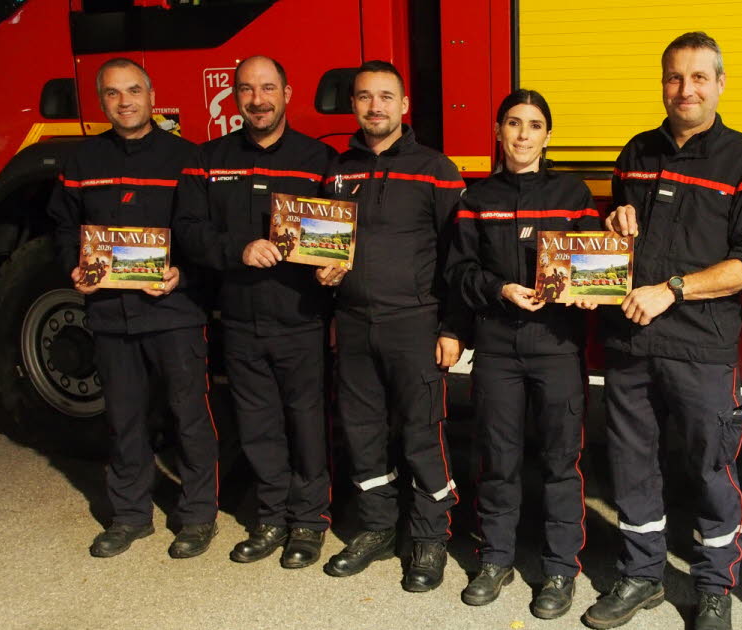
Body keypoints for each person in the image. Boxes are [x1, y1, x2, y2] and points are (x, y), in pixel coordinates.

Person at [585, 32, 742, 630]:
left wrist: (671, 289)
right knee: (631, 464)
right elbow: (620, 237)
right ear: (662, 83)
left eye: (699, 78)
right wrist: (612, 218)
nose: (685, 89)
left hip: (700, 346)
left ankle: (715, 586)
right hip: (631, 343)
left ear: (720, 84)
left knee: (709, 469)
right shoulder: (637, 152)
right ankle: (641, 575)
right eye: (675, 77)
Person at [47, 58, 218, 559]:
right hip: (109, 312)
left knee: (189, 415)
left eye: (134, 90)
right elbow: (64, 229)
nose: (125, 102)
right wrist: (73, 268)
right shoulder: (80, 162)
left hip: (175, 312)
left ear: (152, 94)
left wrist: (183, 275)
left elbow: (203, 236)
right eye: (114, 94)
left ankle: (197, 514)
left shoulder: (187, 158)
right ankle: (130, 516)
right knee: (123, 418)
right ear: (102, 102)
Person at [175, 55, 337, 569]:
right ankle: (270, 517)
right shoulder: (209, 159)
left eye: (268, 88)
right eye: (247, 89)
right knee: (258, 424)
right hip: (241, 320)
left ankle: (309, 522)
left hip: (302, 318)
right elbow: (189, 230)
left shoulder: (320, 160)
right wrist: (237, 249)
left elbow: (343, 236)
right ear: (235, 97)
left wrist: (335, 268)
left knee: (307, 425)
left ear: (288, 92)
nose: (259, 99)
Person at [445, 89, 600, 619]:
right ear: (498, 131)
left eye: (534, 125)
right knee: (498, 457)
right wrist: (500, 290)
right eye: (513, 123)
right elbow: (458, 272)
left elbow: (598, 267)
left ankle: (560, 568)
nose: (523, 134)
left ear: (547, 136)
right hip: (498, 346)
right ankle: (496, 557)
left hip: (557, 345)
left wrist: (588, 287)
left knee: (561, 460)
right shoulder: (476, 199)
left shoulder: (574, 195)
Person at [317, 60, 468, 592]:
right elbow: (324, 242)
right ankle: (377, 527)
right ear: (353, 105)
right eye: (364, 97)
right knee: (362, 433)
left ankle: (429, 537)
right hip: (353, 322)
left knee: (422, 434)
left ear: (404, 106)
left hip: (414, 323)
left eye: (386, 97)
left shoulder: (436, 170)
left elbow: (459, 257)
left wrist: (451, 327)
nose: (374, 107)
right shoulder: (337, 171)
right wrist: (323, 272)